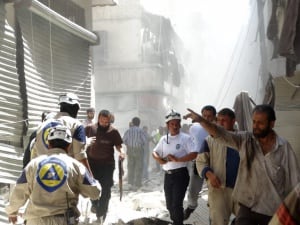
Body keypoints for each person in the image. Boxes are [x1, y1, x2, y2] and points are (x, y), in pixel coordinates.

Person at [185, 104, 300, 225]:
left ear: (272, 124)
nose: (255, 126)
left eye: (260, 123)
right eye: (254, 122)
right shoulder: (245, 140)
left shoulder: (283, 147)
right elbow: (221, 134)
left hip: (271, 209)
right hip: (246, 205)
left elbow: (294, 179)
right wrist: (202, 121)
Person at [6, 125, 101, 225]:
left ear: (49, 143)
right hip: (64, 221)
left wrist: (12, 212)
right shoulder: (76, 166)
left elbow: (19, 190)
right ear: (69, 146)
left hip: (35, 221)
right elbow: (95, 193)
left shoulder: (33, 165)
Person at [152, 109, 198, 225]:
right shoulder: (164, 139)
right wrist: (159, 159)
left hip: (180, 175)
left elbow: (194, 154)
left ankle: (178, 222)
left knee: (176, 204)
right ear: (167, 125)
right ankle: (178, 221)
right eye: (172, 124)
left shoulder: (185, 138)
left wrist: (178, 159)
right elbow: (154, 152)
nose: (175, 126)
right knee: (169, 205)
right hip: (168, 175)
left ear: (180, 124)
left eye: (177, 123)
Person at [196, 108, 240, 225]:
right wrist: (209, 174)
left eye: (224, 121)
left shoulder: (242, 139)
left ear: (233, 121)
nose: (220, 124)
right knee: (218, 222)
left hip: (241, 190)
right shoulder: (209, 140)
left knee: (245, 220)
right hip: (219, 189)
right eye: (219, 120)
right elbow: (200, 161)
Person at [31, 93, 92, 175]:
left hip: (43, 177)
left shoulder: (42, 126)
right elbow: (80, 157)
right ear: (75, 108)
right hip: (66, 177)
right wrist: (91, 178)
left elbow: (34, 154)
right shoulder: (76, 125)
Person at [85, 109, 125, 223]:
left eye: (107, 122)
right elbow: (79, 141)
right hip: (92, 164)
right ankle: (95, 204)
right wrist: (86, 141)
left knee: (106, 190)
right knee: (92, 188)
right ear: (99, 119)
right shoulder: (90, 128)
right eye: (102, 121)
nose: (105, 124)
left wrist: (121, 152)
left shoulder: (113, 131)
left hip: (107, 165)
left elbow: (118, 145)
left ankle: (101, 213)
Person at [184, 105, 217, 220]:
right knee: (193, 189)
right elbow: (191, 142)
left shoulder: (217, 129)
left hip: (215, 162)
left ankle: (213, 215)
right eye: (204, 116)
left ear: (214, 117)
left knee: (214, 191)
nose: (207, 118)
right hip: (198, 161)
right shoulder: (194, 127)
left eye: (209, 116)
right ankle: (191, 206)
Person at [123, 116, 147, 190]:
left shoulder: (128, 130)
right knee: (139, 167)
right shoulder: (141, 131)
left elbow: (124, 140)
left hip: (130, 150)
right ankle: (138, 183)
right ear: (139, 123)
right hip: (139, 150)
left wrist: (128, 145)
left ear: (133, 123)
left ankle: (130, 183)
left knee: (130, 166)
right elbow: (144, 141)